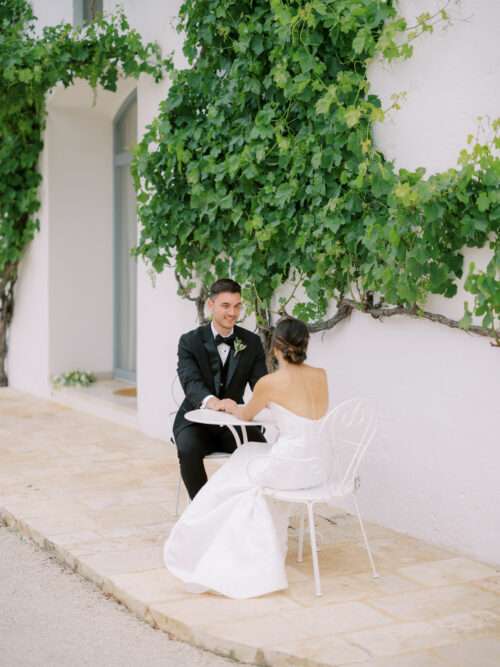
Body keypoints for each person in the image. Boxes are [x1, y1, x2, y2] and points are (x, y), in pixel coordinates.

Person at [164, 316, 330, 599]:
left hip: (288, 468)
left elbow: (246, 414)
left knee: (236, 469)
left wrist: (230, 405)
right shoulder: (321, 375)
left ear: (276, 346)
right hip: (317, 466)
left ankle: (217, 542)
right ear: (306, 344)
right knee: (249, 455)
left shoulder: (270, 383)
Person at [173, 278, 267, 499]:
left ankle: (246, 509)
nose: (232, 313)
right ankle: (203, 510)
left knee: (262, 452)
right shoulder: (189, 342)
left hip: (233, 423)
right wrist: (215, 403)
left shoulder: (251, 342)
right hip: (194, 421)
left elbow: (261, 385)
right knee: (188, 450)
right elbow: (191, 382)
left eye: (237, 306)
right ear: (211, 305)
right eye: (226, 306)